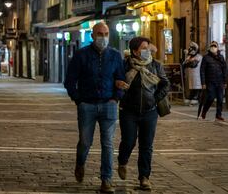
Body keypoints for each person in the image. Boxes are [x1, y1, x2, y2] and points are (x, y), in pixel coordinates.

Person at [64, 22, 126, 193]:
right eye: (99, 34)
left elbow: (121, 80)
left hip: (109, 105)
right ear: (92, 36)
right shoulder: (81, 55)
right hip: (87, 106)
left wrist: (116, 98)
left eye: (106, 34)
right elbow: (70, 81)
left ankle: (106, 180)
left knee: (108, 144)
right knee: (85, 142)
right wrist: (78, 100)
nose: (103, 38)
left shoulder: (115, 55)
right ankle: (80, 163)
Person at [116, 37, 169, 191]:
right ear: (134, 51)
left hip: (149, 111)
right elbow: (117, 82)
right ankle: (122, 161)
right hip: (128, 111)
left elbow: (165, 84)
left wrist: (155, 99)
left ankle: (144, 178)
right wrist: (122, 95)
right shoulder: (125, 65)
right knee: (129, 141)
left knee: (146, 145)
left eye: (148, 47)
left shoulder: (155, 65)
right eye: (143, 48)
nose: (147, 50)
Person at [200, 41, 227, 120]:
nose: (213, 47)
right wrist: (203, 83)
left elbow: (224, 69)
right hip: (210, 82)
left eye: (215, 46)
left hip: (220, 81)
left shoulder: (221, 57)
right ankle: (204, 110)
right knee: (211, 97)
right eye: (212, 46)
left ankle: (218, 115)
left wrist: (225, 81)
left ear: (217, 47)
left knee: (220, 99)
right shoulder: (206, 58)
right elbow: (202, 71)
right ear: (210, 47)